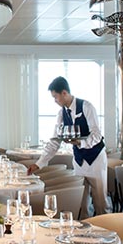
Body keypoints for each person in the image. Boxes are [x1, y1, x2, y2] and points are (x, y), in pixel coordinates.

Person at [27, 76, 108, 216]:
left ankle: (106, 226)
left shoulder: (87, 107)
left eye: (55, 97)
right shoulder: (61, 114)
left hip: (96, 159)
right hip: (79, 160)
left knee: (100, 202)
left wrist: (80, 142)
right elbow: (55, 141)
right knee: (81, 202)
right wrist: (39, 164)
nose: (55, 101)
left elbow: (96, 135)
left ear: (64, 93)